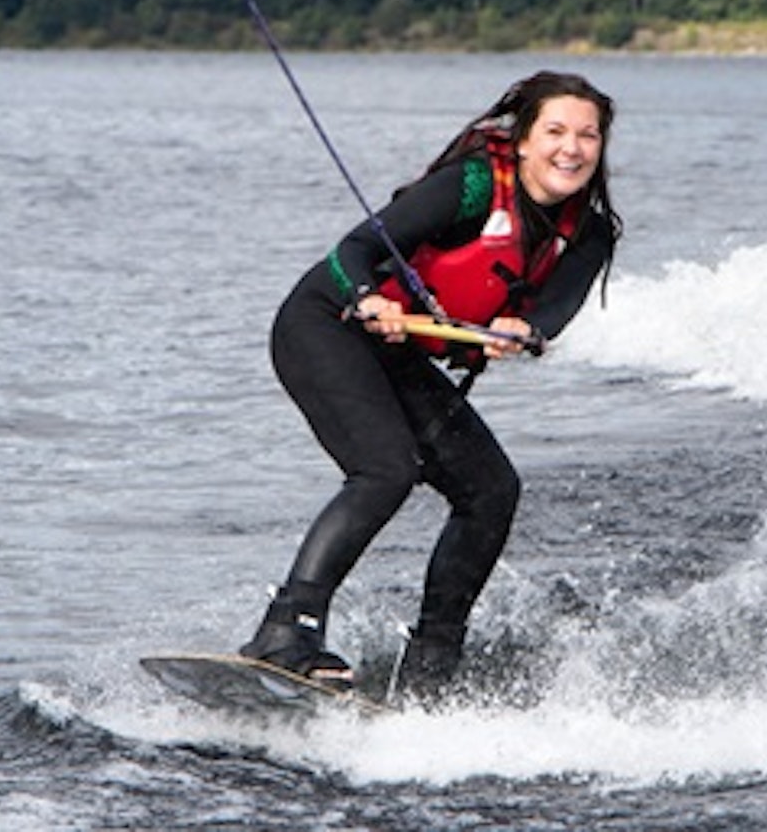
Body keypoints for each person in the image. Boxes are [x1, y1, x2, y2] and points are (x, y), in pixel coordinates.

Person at [239, 70, 621, 701]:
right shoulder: (472, 187)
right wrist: (368, 298)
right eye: (555, 130)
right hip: (325, 324)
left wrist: (521, 328)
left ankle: (432, 667)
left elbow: (552, 312)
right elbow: (354, 250)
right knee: (386, 469)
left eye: (588, 135)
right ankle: (287, 630)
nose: (571, 148)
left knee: (491, 489)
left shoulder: (590, 232)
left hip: (396, 355)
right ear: (523, 140)